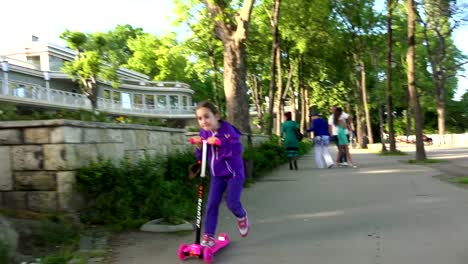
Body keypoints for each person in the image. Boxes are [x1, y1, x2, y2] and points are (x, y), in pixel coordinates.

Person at [191, 101, 250, 247]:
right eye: (200, 118)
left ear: (216, 116)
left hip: (234, 174)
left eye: (206, 116)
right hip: (217, 175)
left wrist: (220, 143)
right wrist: (199, 147)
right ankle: (209, 236)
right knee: (211, 204)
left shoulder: (229, 131)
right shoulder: (204, 133)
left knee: (232, 203)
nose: (203, 121)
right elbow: (202, 157)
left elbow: (236, 150)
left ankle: (241, 216)